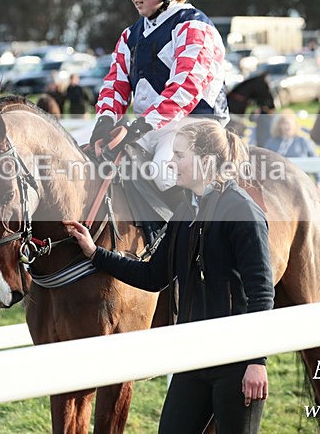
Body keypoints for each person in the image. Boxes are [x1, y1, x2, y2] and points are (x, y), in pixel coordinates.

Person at [65, 120, 273, 434]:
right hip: (192, 358)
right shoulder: (184, 213)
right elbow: (153, 275)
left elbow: (261, 293)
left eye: (178, 155)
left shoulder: (242, 211)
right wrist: (96, 253)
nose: (170, 162)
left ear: (205, 161)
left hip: (237, 362)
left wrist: (257, 361)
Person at [89, 0, 229, 191]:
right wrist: (105, 121)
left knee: (163, 173)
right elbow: (114, 85)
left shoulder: (194, 27)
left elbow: (185, 87)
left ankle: (188, 230)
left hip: (196, 129)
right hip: (148, 128)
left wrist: (140, 126)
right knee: (87, 158)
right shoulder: (130, 35)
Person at [264, 109, 320, 194]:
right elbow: (264, 162)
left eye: (288, 124)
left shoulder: (303, 142)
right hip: (277, 185)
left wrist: (319, 181)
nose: (286, 127)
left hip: (300, 184)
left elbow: (315, 161)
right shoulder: (272, 142)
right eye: (283, 124)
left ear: (294, 125)